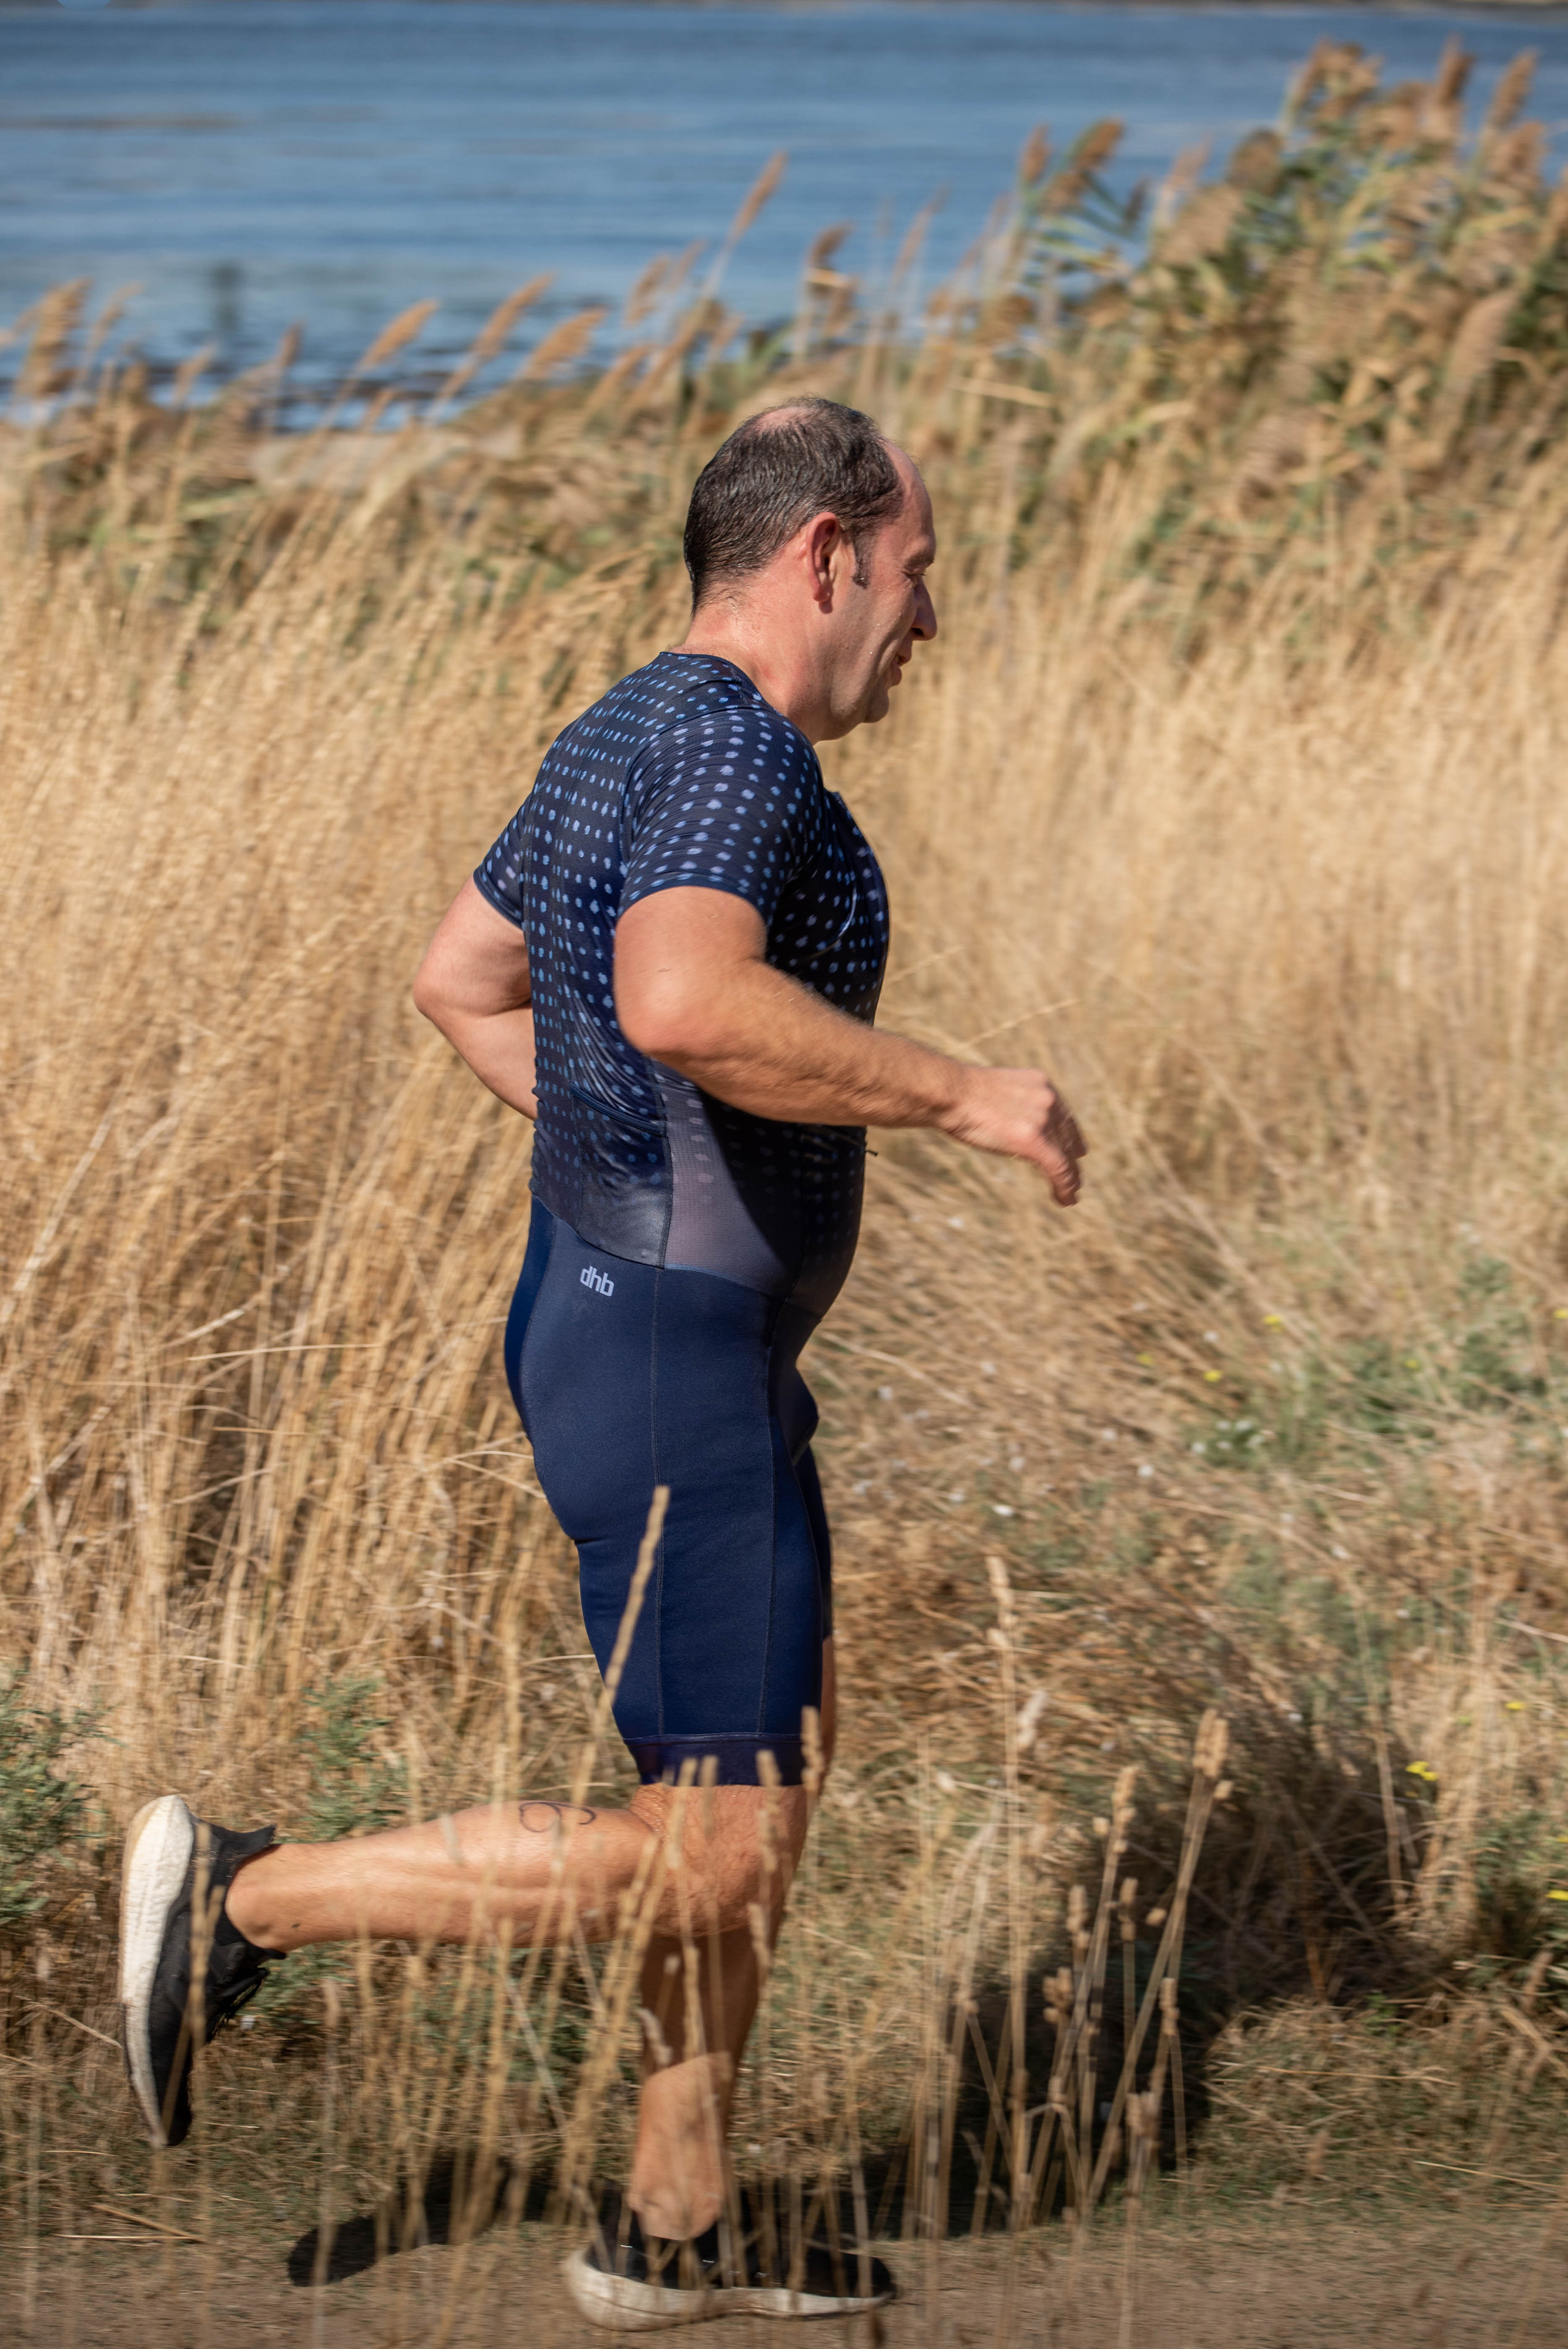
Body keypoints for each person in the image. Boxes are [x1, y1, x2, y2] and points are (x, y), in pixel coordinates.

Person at [118, 396, 1085, 2326]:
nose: (926, 621)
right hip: (669, 1365)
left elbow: (462, 975)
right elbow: (678, 995)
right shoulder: (738, 754)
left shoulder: (628, 725)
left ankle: (674, 2223)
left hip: (647, 1330)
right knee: (708, 1860)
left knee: (760, 1793)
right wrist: (968, 1094)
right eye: (916, 577)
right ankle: (238, 1896)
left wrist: (621, 1165)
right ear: (826, 557)